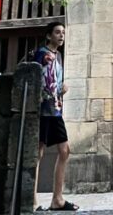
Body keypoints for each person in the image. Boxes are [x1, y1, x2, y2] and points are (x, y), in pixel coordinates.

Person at [32, 21, 79, 211]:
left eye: (63, 33)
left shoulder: (58, 56)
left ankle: (57, 199)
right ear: (49, 35)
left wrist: (61, 89)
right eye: (57, 32)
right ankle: (32, 200)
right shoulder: (44, 54)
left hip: (55, 110)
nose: (61, 35)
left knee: (64, 150)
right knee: (38, 153)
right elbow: (38, 72)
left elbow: (52, 83)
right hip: (44, 110)